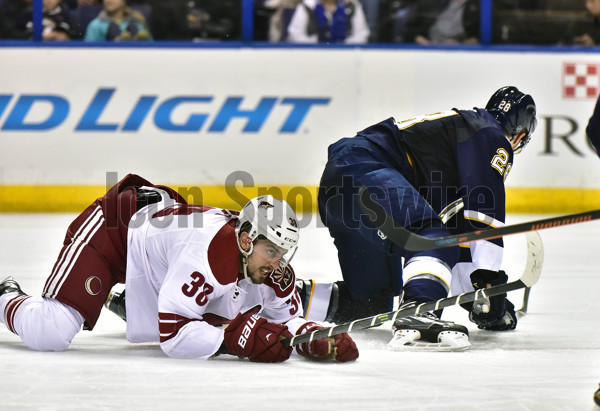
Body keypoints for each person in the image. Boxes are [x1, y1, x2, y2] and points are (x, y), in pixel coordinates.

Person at [0, 174, 358, 363]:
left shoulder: (264, 261)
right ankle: (5, 295)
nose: (278, 264)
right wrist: (230, 342)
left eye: (284, 253)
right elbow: (173, 336)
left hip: (160, 252)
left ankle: (139, 301)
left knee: (232, 308)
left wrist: (311, 335)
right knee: (51, 329)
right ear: (246, 241)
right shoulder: (204, 254)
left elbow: (285, 318)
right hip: (117, 233)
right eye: (271, 251)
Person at [297, 86, 537, 351]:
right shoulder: (491, 134)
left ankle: (286, 295)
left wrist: (483, 298)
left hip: (342, 186)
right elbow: (484, 208)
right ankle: (418, 310)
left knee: (370, 303)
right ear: (521, 135)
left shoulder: (465, 141)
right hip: (366, 167)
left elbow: (460, 240)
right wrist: (488, 271)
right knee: (430, 237)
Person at [286, 0, 370, 44]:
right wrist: (314, 44)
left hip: (345, 56)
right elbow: (295, 34)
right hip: (311, 55)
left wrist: (344, 46)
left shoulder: (352, 6)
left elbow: (361, 34)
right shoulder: (307, 6)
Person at [403, 0, 479, 45]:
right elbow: (409, 30)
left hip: (462, 51)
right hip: (428, 49)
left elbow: (481, 36)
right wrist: (427, 43)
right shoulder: (431, 3)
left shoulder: (478, 5)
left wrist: (460, 44)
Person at [84, 0, 151, 41]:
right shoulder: (95, 25)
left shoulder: (136, 22)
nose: (109, 1)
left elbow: (151, 46)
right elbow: (87, 51)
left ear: (123, 1)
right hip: (106, 60)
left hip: (135, 59)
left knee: (133, 28)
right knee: (113, 29)